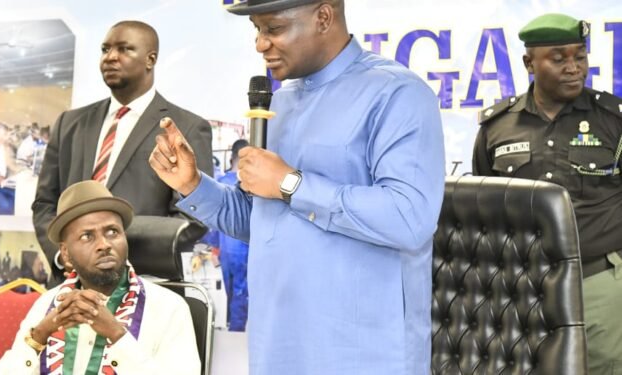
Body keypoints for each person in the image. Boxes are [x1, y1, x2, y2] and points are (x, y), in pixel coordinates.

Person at [149, 1, 445, 373]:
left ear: (324, 17)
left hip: (358, 353)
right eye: (256, 30)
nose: (260, 44)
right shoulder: (283, 100)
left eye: (273, 29)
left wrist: (291, 184)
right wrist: (192, 184)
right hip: (278, 344)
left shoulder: (397, 94)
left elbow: (410, 218)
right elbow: (265, 221)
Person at [472, 13, 622, 374]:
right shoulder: (497, 127)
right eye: (559, 58)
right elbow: (482, 212)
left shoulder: (612, 120)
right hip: (524, 287)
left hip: (599, 282)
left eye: (580, 57)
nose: (574, 68)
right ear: (529, 63)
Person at [33, 20, 213, 285]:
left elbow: (193, 216)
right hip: (69, 285)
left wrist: (106, 254)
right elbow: (45, 204)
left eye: (124, 49)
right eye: (105, 50)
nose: (110, 58)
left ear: (150, 59)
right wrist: (65, 255)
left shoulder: (185, 127)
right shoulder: (69, 124)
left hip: (145, 287)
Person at [0, 180, 199, 374]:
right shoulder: (46, 305)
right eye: (87, 236)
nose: (104, 244)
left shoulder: (168, 308)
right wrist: (40, 335)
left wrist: (117, 335)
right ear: (65, 253)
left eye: (112, 232)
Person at [205, 139, 250, 332]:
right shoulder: (250, 185)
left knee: (224, 291)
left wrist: (213, 247)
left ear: (231, 157)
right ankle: (237, 331)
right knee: (241, 292)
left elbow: (212, 221)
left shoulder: (220, 183)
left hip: (223, 249)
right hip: (245, 249)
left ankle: (226, 324)